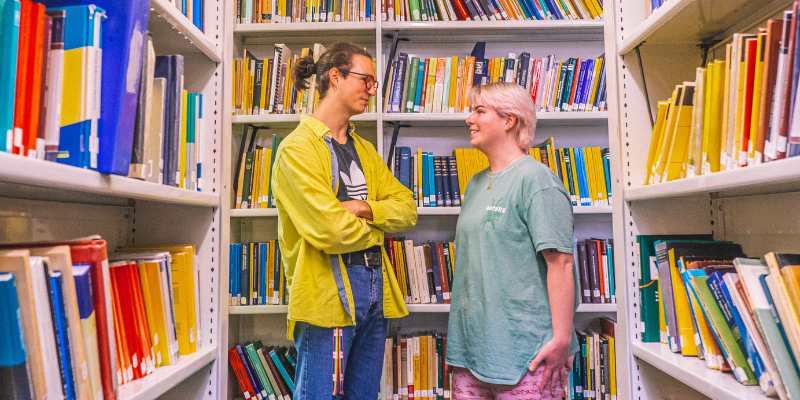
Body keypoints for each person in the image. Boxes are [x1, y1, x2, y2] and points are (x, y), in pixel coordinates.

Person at [271, 42, 417, 400]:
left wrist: (365, 209)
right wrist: (378, 227)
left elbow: (407, 208)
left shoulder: (363, 148)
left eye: (374, 83)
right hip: (326, 293)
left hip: (374, 288)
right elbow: (330, 230)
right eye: (365, 79)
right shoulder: (297, 149)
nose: (371, 89)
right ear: (334, 77)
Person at [446, 82, 580, 400]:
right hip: (471, 356)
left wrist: (561, 339)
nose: (469, 119)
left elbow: (560, 263)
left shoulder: (537, 181)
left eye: (480, 111)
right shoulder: (476, 184)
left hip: (527, 357)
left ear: (509, 120)